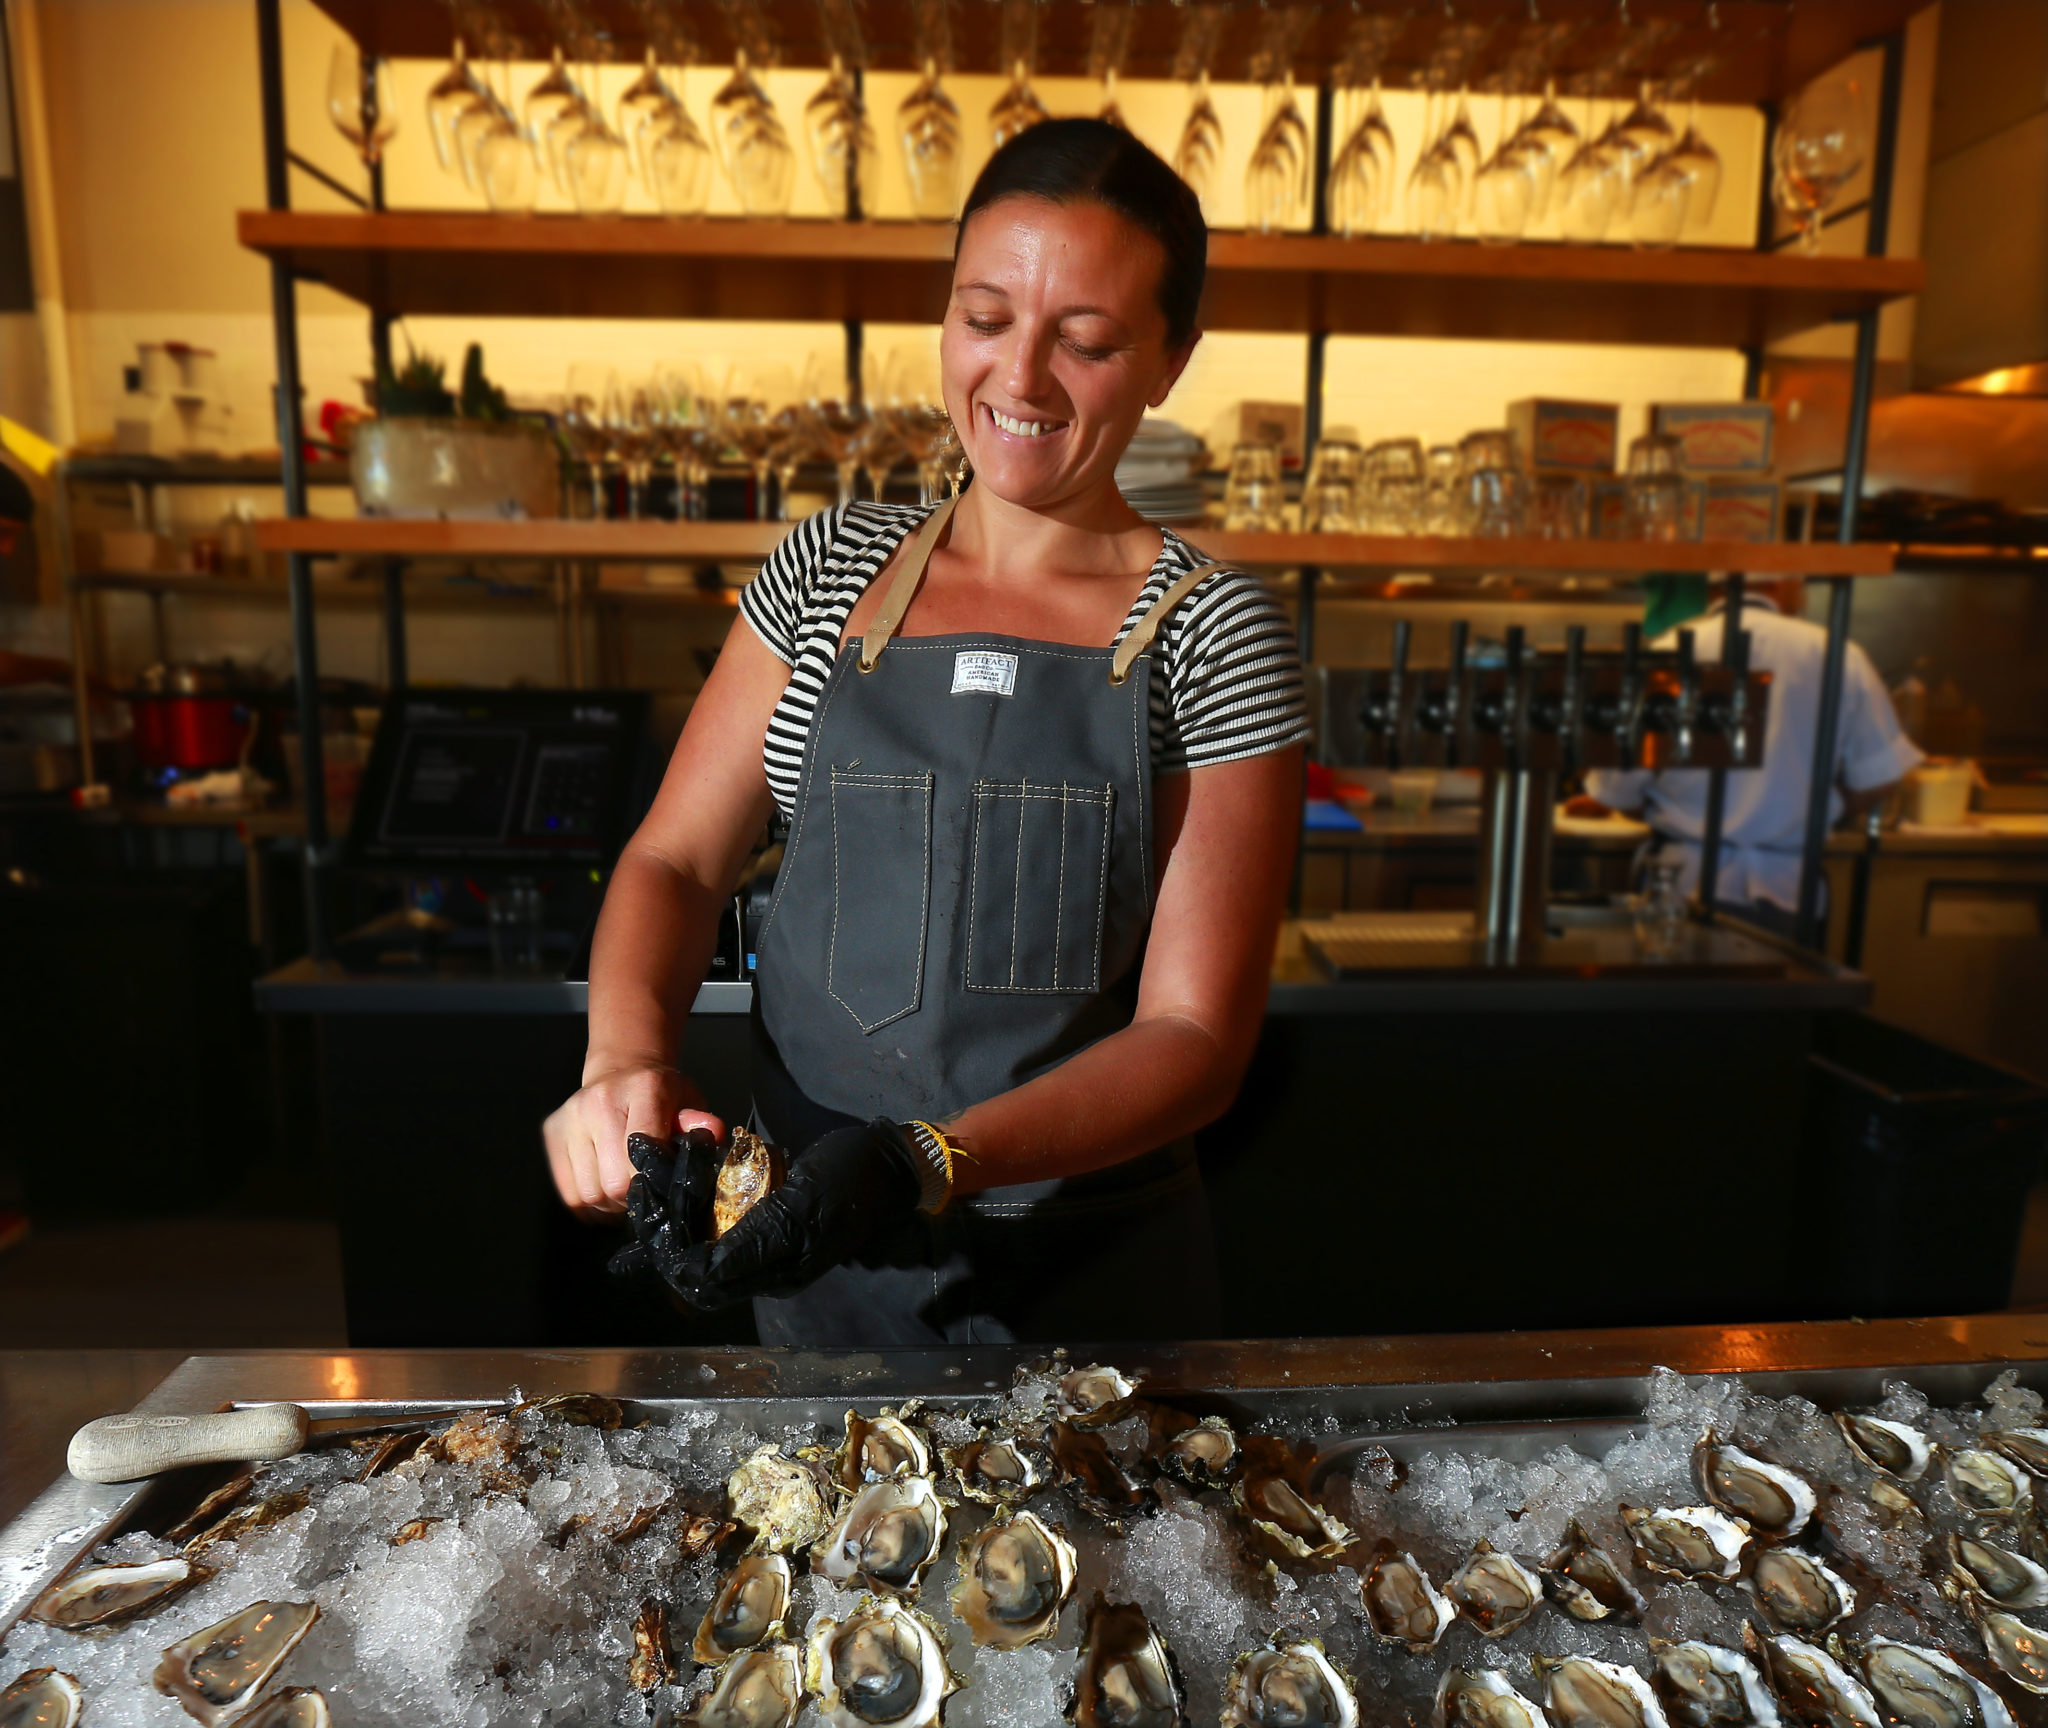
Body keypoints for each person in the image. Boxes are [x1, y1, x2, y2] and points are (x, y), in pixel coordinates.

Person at [542, 119, 1308, 1345]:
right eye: (984, 318)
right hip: (807, 1253)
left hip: (1082, 1276)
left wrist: (921, 1162)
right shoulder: (827, 568)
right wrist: (619, 1060)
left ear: (1170, 360)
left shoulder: (1213, 632)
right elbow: (675, 860)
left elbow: (1195, 1037)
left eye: (1089, 341)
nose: (1017, 380)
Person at [1573, 577, 1922, 938]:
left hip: (1682, 886)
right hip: (1791, 892)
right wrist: (1824, 810)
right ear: (1785, 586)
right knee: (1777, 992)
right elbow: (1881, 775)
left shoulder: (1671, 649)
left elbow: (1616, 788)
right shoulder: (1838, 654)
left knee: (1677, 992)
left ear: (1710, 589)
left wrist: (1659, 810)